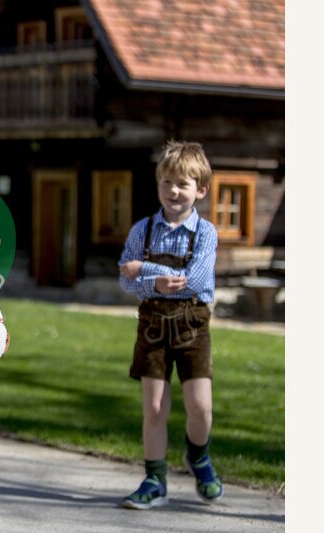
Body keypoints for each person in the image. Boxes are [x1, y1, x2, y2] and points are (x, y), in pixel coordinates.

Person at [118, 140, 223, 509]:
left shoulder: (206, 233)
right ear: (158, 184)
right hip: (152, 328)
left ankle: (198, 456)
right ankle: (155, 479)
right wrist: (152, 282)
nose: (174, 191)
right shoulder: (142, 230)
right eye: (167, 183)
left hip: (193, 328)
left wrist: (146, 269)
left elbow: (193, 281)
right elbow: (125, 280)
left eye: (183, 184)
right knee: (155, 408)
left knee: (201, 407)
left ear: (201, 190)